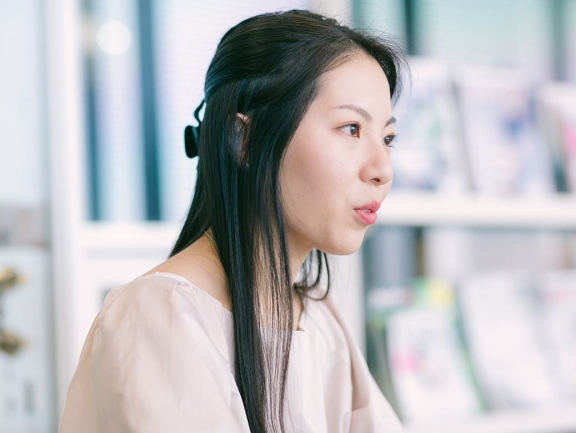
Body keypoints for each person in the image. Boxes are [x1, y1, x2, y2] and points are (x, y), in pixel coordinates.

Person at [59, 9, 407, 433]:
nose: (382, 169)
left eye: (387, 138)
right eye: (351, 128)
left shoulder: (318, 318)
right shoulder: (161, 315)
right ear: (243, 139)